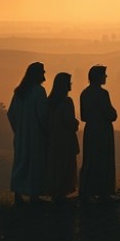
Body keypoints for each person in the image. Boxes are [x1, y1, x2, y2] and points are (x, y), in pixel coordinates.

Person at [7, 62, 49, 205]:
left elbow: (11, 113)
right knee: (35, 164)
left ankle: (18, 194)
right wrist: (46, 130)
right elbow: (43, 114)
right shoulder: (39, 91)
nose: (44, 75)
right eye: (42, 72)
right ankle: (34, 195)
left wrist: (18, 130)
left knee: (21, 163)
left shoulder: (19, 92)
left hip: (21, 136)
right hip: (35, 136)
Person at [79, 65, 118, 202]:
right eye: (104, 75)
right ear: (98, 77)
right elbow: (111, 114)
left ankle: (87, 191)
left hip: (90, 130)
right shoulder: (102, 94)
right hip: (103, 130)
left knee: (90, 160)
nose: (106, 77)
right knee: (103, 160)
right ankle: (104, 191)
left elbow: (83, 116)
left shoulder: (84, 93)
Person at [44, 72, 80, 203]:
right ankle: (62, 192)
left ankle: (55, 191)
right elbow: (68, 120)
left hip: (53, 138)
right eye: (69, 83)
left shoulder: (49, 102)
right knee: (65, 164)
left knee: (55, 164)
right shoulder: (67, 101)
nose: (71, 85)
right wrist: (76, 123)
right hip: (66, 138)